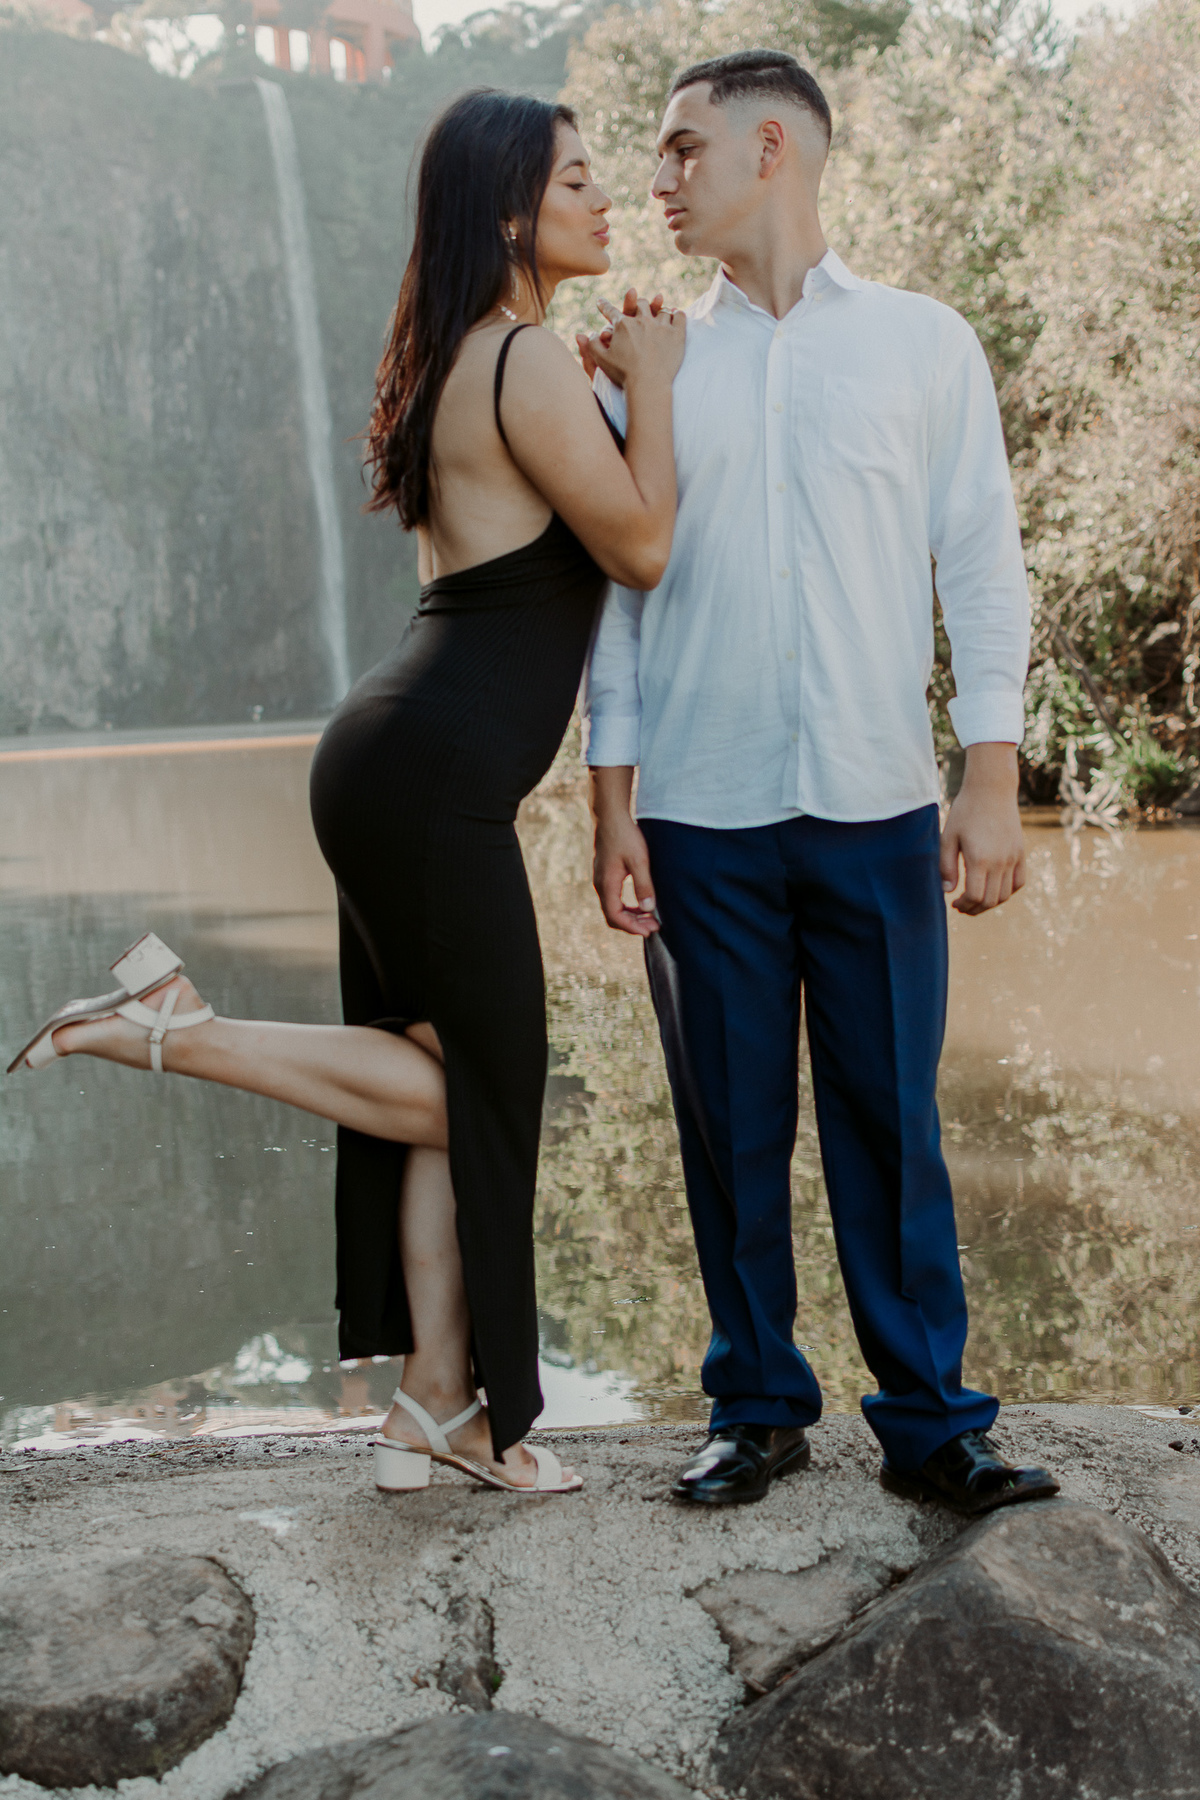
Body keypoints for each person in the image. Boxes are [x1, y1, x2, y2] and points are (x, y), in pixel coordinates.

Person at [9, 89, 685, 1497]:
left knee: (442, 1091)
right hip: (430, 779)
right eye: (575, 180)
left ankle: (436, 1407)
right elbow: (641, 548)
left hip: (395, 760)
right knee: (490, 1092)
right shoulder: (522, 358)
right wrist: (661, 382)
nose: (603, 198)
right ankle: (175, 1030)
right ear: (510, 213)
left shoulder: (454, 358)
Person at [579, 50, 1059, 1514]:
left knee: (890, 1121)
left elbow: (983, 566)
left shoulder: (924, 344)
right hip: (699, 815)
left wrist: (992, 778)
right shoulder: (653, 363)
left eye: (683, 148)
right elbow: (621, 600)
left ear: (772, 146)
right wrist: (610, 803)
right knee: (730, 1131)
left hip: (877, 805)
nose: (658, 179)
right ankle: (756, 1406)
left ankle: (933, 1422)